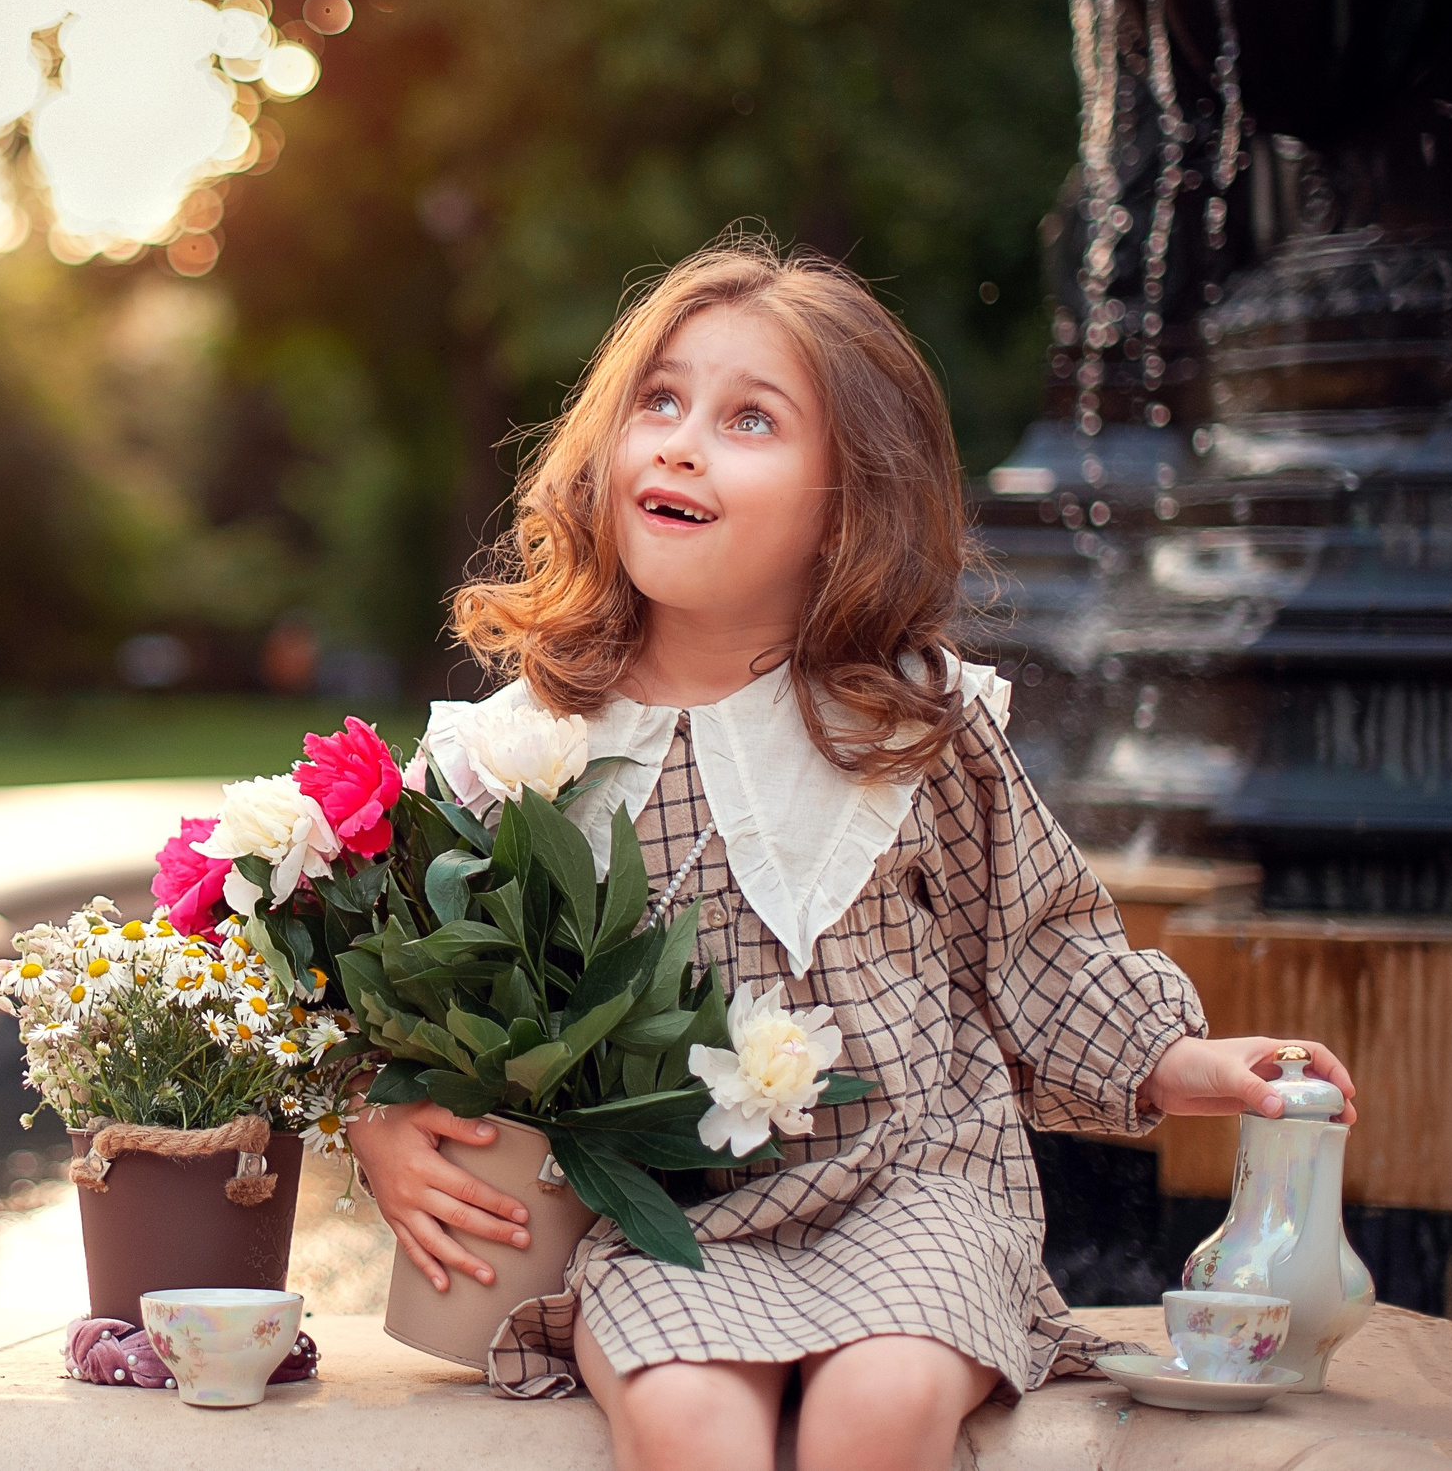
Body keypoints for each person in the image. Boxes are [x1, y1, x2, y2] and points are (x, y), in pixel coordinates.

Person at [346, 238, 1355, 1471]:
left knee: (873, 1412)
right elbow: (411, 990)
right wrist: (377, 1120)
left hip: (914, 1185)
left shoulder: (906, 721)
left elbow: (1033, 939)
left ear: (841, 510)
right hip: (672, 1218)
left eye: (749, 419)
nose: (680, 443)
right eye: (658, 401)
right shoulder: (516, 753)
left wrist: (1179, 1061)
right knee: (683, 1419)